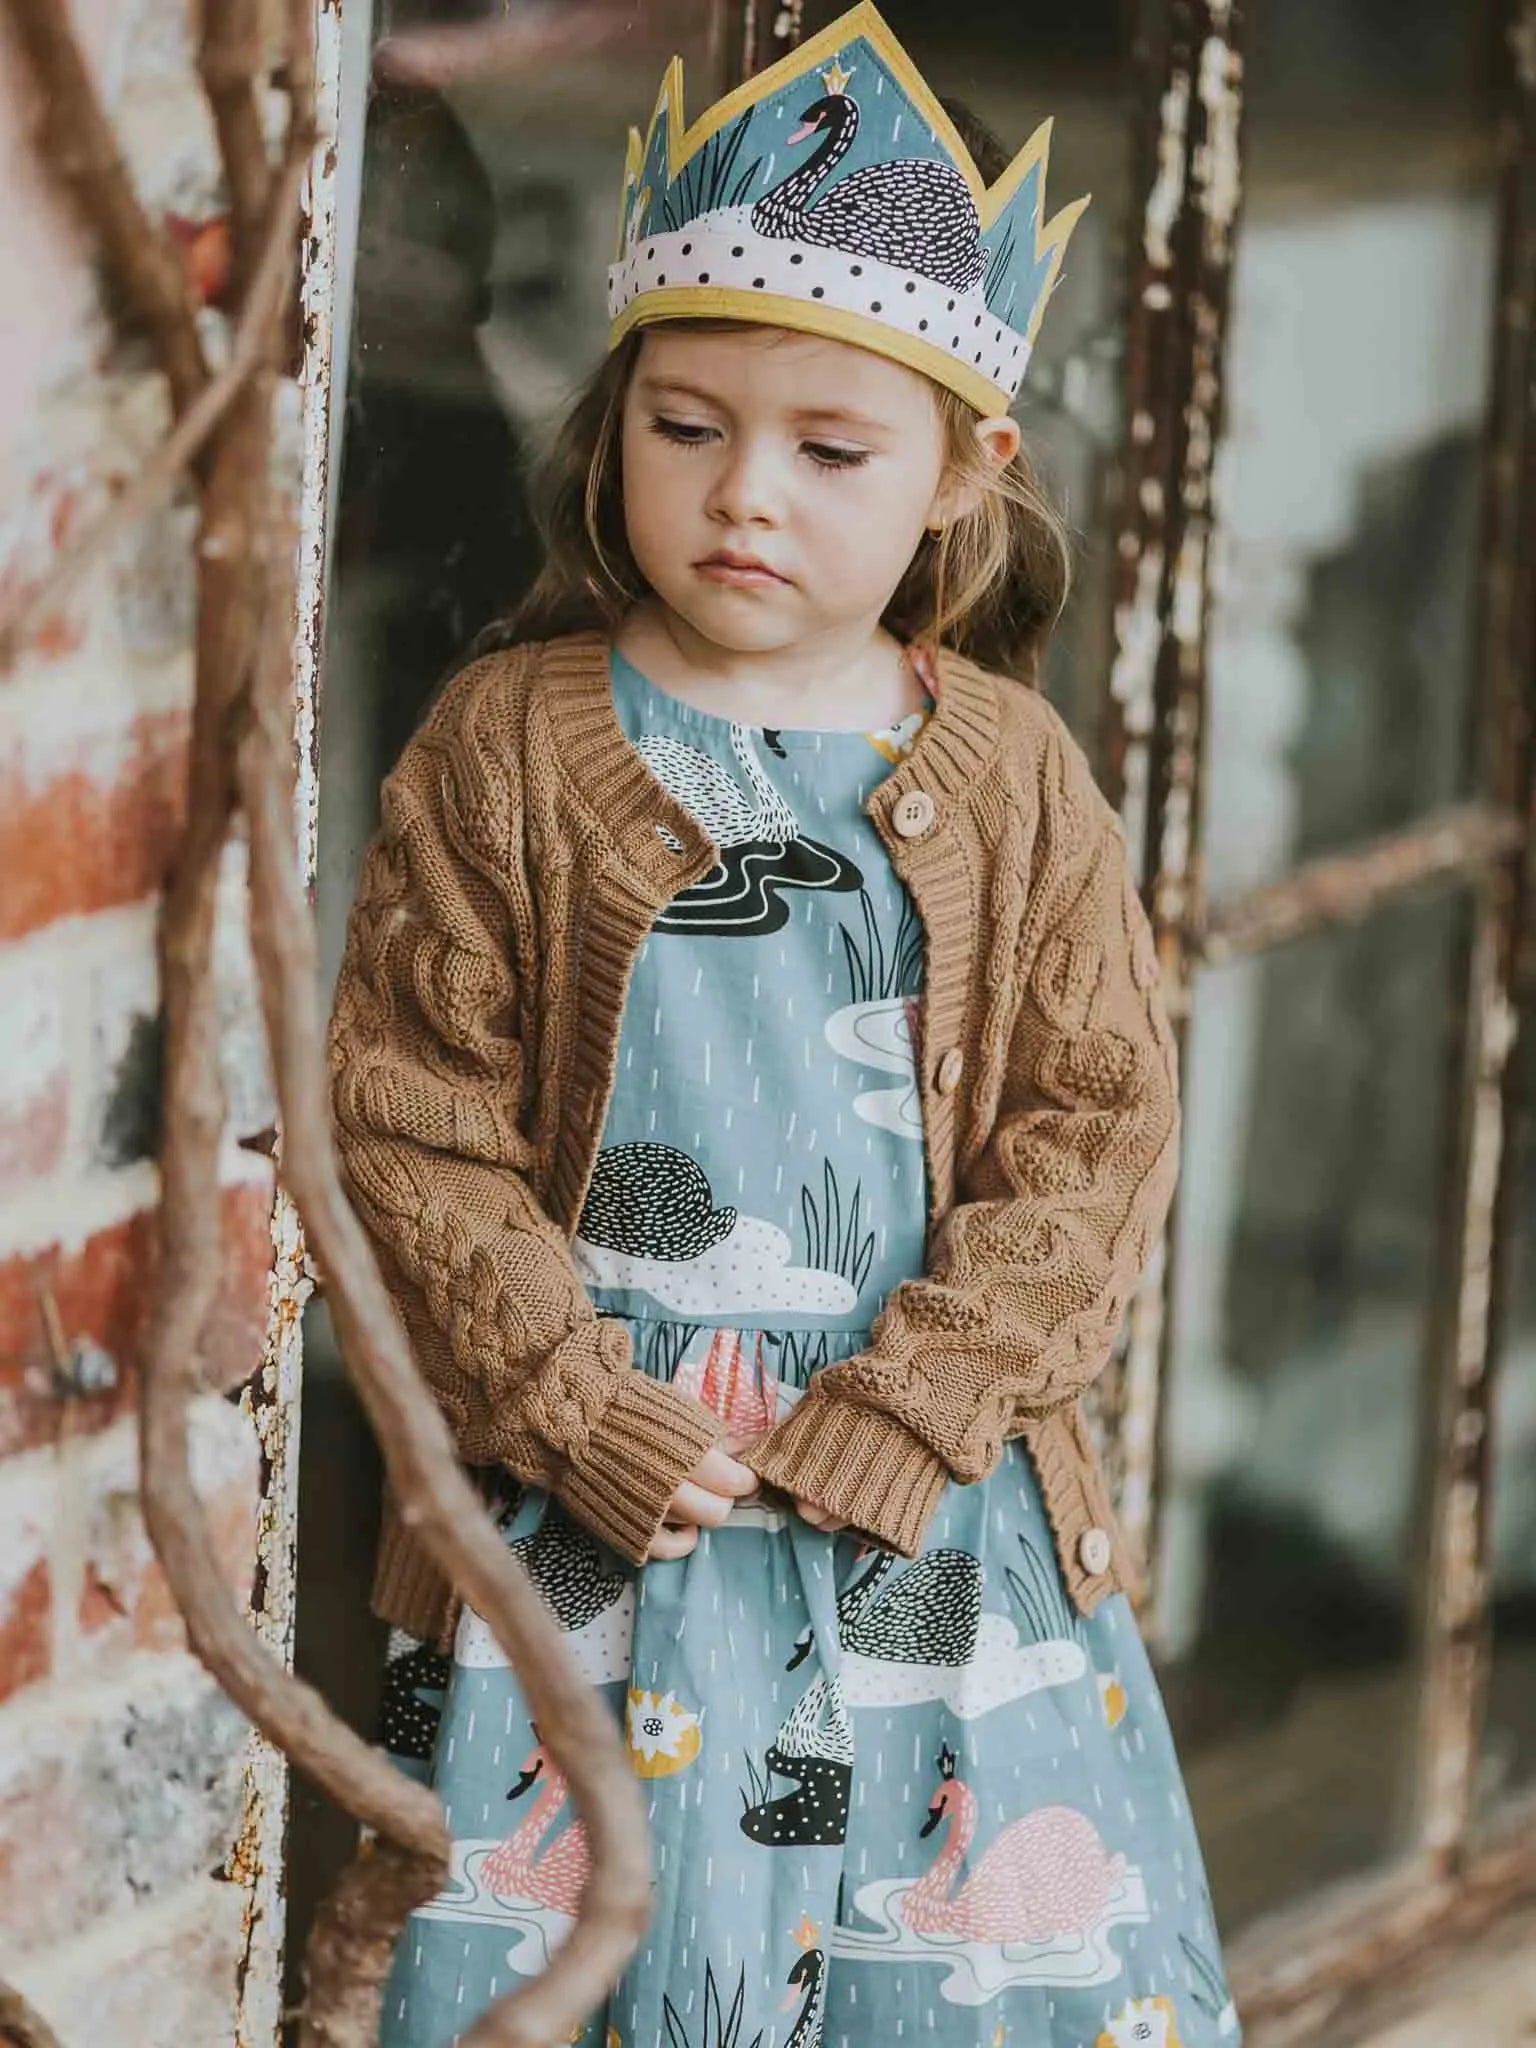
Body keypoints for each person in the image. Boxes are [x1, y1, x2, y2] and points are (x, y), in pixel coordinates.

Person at [327, 10, 1240, 2045]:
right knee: (583, 1955)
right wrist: (569, 1403)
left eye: (831, 450)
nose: (746, 494)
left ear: (958, 477)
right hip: (599, 1508)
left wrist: (921, 1401)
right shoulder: (512, 747)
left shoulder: (1008, 778)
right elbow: (405, 1121)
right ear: (616, 418)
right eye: (687, 426)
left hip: (924, 1503)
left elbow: (1095, 1132)